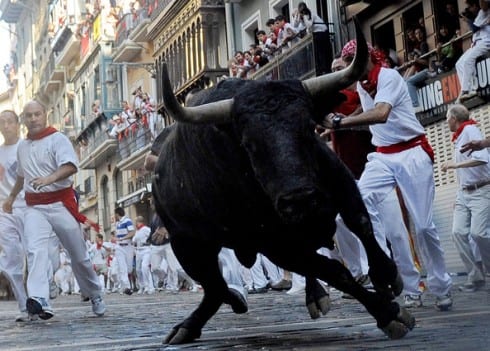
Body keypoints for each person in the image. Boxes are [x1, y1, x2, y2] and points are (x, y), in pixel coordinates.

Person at [322, 40, 453, 311]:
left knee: (424, 226)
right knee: (361, 202)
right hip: (382, 156)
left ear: (364, 59)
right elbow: (363, 114)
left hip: (412, 151)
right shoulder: (361, 85)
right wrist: (328, 122)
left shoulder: (389, 76)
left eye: (347, 64)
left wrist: (340, 123)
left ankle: (441, 287)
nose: (345, 70)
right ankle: (388, 273)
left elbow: (380, 114)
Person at [2, 100, 105, 320]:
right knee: (35, 251)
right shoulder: (22, 146)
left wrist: (49, 178)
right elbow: (22, 175)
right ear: (24, 119)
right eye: (29, 115)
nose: (33, 119)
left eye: (37, 114)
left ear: (45, 115)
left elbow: (70, 166)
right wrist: (11, 197)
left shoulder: (57, 139)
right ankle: (40, 299)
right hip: (34, 207)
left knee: (78, 255)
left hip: (60, 204)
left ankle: (95, 292)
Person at [441, 104, 490, 292]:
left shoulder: (470, 129)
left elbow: (482, 159)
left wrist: (454, 166)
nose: (446, 121)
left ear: (454, 118)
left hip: (481, 190)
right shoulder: (459, 136)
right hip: (464, 193)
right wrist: (458, 193)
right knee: (458, 233)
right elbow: (466, 172)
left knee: (479, 233)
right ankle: (475, 276)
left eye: (447, 117)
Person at [0, 109, 30, 321]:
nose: (6, 125)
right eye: (2, 122)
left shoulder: (27, 147)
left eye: (9, 121)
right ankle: (24, 306)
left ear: (18, 124)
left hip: (30, 208)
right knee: (11, 258)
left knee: (36, 254)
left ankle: (41, 295)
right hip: (5, 211)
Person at [455, 0, 490, 102]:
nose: (469, 9)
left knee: (467, 61)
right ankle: (467, 89)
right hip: (477, 43)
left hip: (486, 42)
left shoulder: (483, 11)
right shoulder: (480, 14)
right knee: (459, 63)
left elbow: (474, 28)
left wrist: (466, 19)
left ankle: (467, 90)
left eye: (470, 6)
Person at [113, 207, 135, 295]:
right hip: (119, 247)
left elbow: (132, 233)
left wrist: (122, 238)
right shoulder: (117, 223)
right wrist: (118, 240)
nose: (114, 216)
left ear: (117, 214)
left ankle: (123, 286)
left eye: (114, 214)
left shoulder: (127, 221)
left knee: (129, 269)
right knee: (123, 268)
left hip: (128, 246)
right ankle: (126, 287)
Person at [132, 216, 154, 294]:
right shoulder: (137, 231)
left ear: (139, 222)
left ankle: (148, 286)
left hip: (146, 249)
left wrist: (150, 242)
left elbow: (152, 235)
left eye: (136, 222)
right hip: (138, 250)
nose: (135, 224)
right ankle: (142, 286)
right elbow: (134, 239)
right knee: (138, 269)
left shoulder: (145, 229)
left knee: (144, 267)